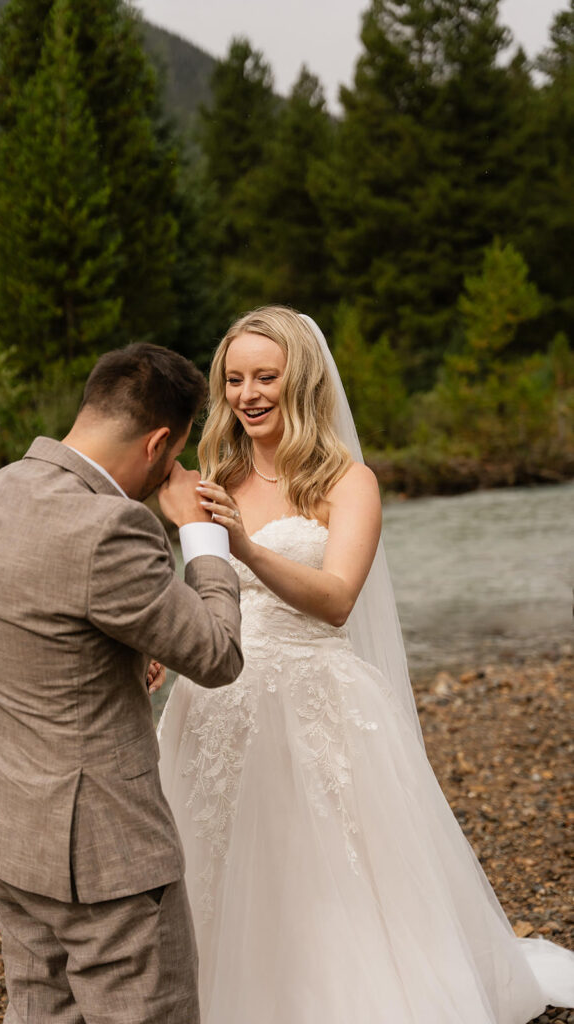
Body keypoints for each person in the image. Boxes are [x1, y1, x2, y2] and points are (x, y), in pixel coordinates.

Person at [157, 306, 574, 1024]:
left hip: (313, 694)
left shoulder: (347, 483)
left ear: (302, 380)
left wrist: (248, 549)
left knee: (319, 865)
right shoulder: (212, 472)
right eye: (233, 379)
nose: (247, 394)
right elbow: (195, 585)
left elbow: (337, 599)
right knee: (215, 855)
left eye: (265, 377)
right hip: (216, 693)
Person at [0, 343, 244, 1024]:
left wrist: (126, 658)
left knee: (41, 1008)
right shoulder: (112, 526)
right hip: (100, 855)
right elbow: (218, 654)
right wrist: (198, 536)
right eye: (172, 457)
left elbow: (33, 630)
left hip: (0, 823)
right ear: (161, 442)